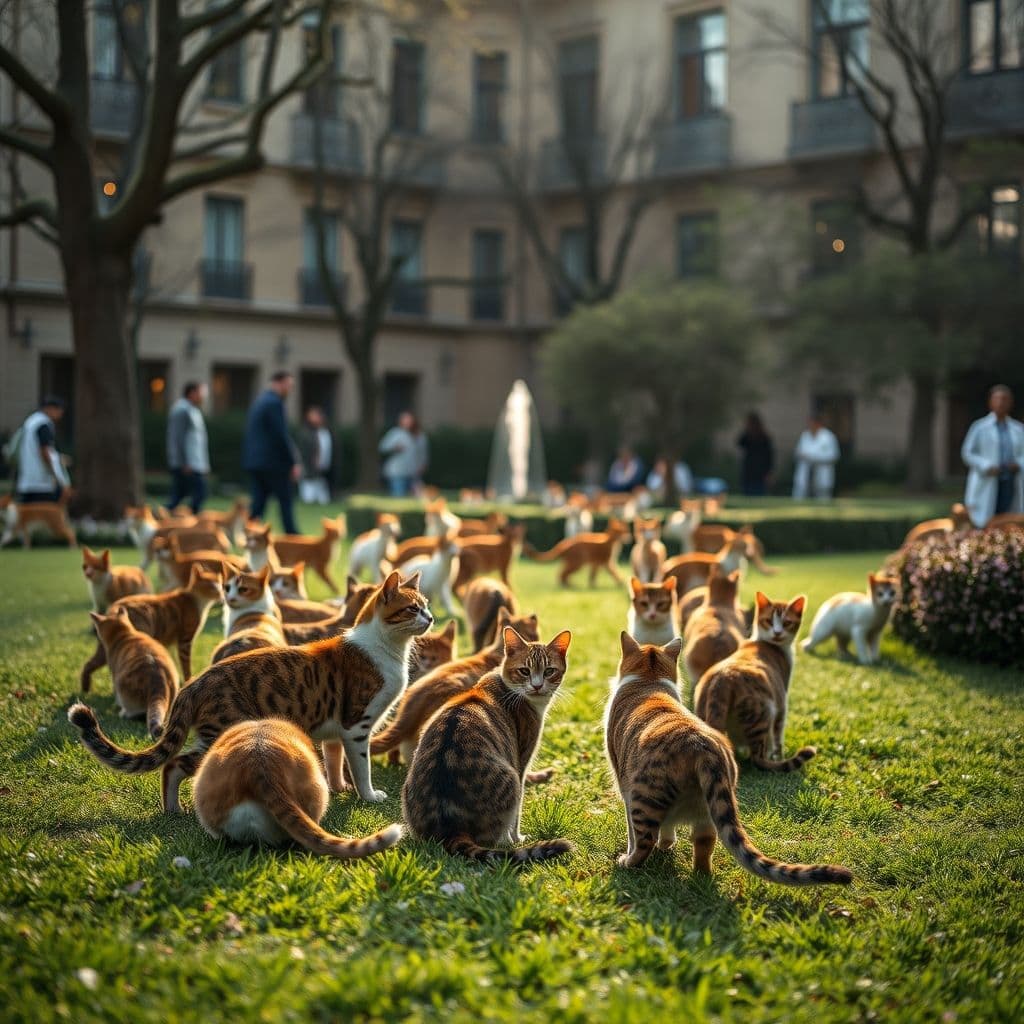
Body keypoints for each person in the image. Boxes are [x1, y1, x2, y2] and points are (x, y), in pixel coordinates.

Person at [242, 371, 300, 534]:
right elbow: (280, 435)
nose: (290, 389)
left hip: (256, 462)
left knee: (259, 504)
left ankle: (249, 535)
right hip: (273, 463)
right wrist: (292, 461)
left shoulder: (260, 402)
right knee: (285, 502)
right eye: (288, 385)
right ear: (279, 383)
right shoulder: (275, 403)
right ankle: (293, 537)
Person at [961, 384, 1024, 527]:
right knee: (984, 521)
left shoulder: (1018, 429)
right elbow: (967, 453)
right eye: (997, 399)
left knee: (1008, 520)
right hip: (987, 479)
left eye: (1005, 399)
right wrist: (986, 465)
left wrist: (1019, 464)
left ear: (1010, 403)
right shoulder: (979, 427)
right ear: (990, 402)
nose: (1001, 403)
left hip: (1010, 481)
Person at [13, 396, 70, 503]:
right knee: (43, 516)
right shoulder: (43, 424)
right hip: (41, 483)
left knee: (29, 517)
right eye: (59, 410)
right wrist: (56, 476)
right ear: (50, 409)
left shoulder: (31, 422)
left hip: (27, 480)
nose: (61, 414)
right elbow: (44, 451)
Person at [166, 381, 210, 513]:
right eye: (200, 393)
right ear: (192, 393)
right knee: (200, 493)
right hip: (187, 464)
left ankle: (163, 518)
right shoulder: (181, 410)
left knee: (178, 496)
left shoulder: (192, 410)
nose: (203, 396)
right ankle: (191, 523)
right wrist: (185, 462)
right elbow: (177, 438)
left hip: (194, 463)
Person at [379, 411, 428, 497]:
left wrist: (423, 464)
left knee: (419, 496)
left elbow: (423, 453)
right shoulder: (395, 433)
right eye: (404, 419)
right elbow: (382, 447)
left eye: (409, 419)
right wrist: (394, 448)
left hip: (413, 472)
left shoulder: (419, 435)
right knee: (399, 496)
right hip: (397, 472)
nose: (407, 422)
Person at [792, 414, 840, 500]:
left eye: (812, 423)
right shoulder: (805, 435)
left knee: (822, 496)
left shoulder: (828, 437)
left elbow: (833, 456)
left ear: (818, 424)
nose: (810, 425)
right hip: (806, 471)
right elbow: (798, 451)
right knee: (800, 493)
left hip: (821, 471)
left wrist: (813, 457)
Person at [298, 406, 334, 505]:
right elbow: (304, 452)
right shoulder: (306, 433)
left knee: (323, 500)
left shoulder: (325, 432)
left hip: (323, 471)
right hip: (309, 472)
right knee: (309, 498)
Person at [737, 412, 775, 496]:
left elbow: (769, 456)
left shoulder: (764, 438)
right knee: (747, 492)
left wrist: (769, 472)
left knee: (759, 492)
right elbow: (739, 442)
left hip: (760, 471)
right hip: (749, 470)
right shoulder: (747, 437)